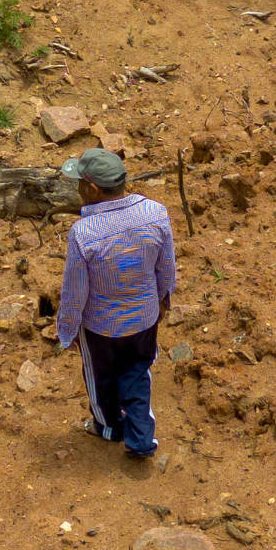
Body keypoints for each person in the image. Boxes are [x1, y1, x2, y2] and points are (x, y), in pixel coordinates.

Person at [56, 146, 177, 460]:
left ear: (92, 189)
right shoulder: (156, 213)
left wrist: (67, 332)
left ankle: (109, 427)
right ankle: (140, 438)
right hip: (144, 318)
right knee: (138, 372)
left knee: (101, 379)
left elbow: (74, 294)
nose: (77, 190)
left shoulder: (83, 233)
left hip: (101, 329)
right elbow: (166, 266)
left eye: (79, 183)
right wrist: (164, 300)